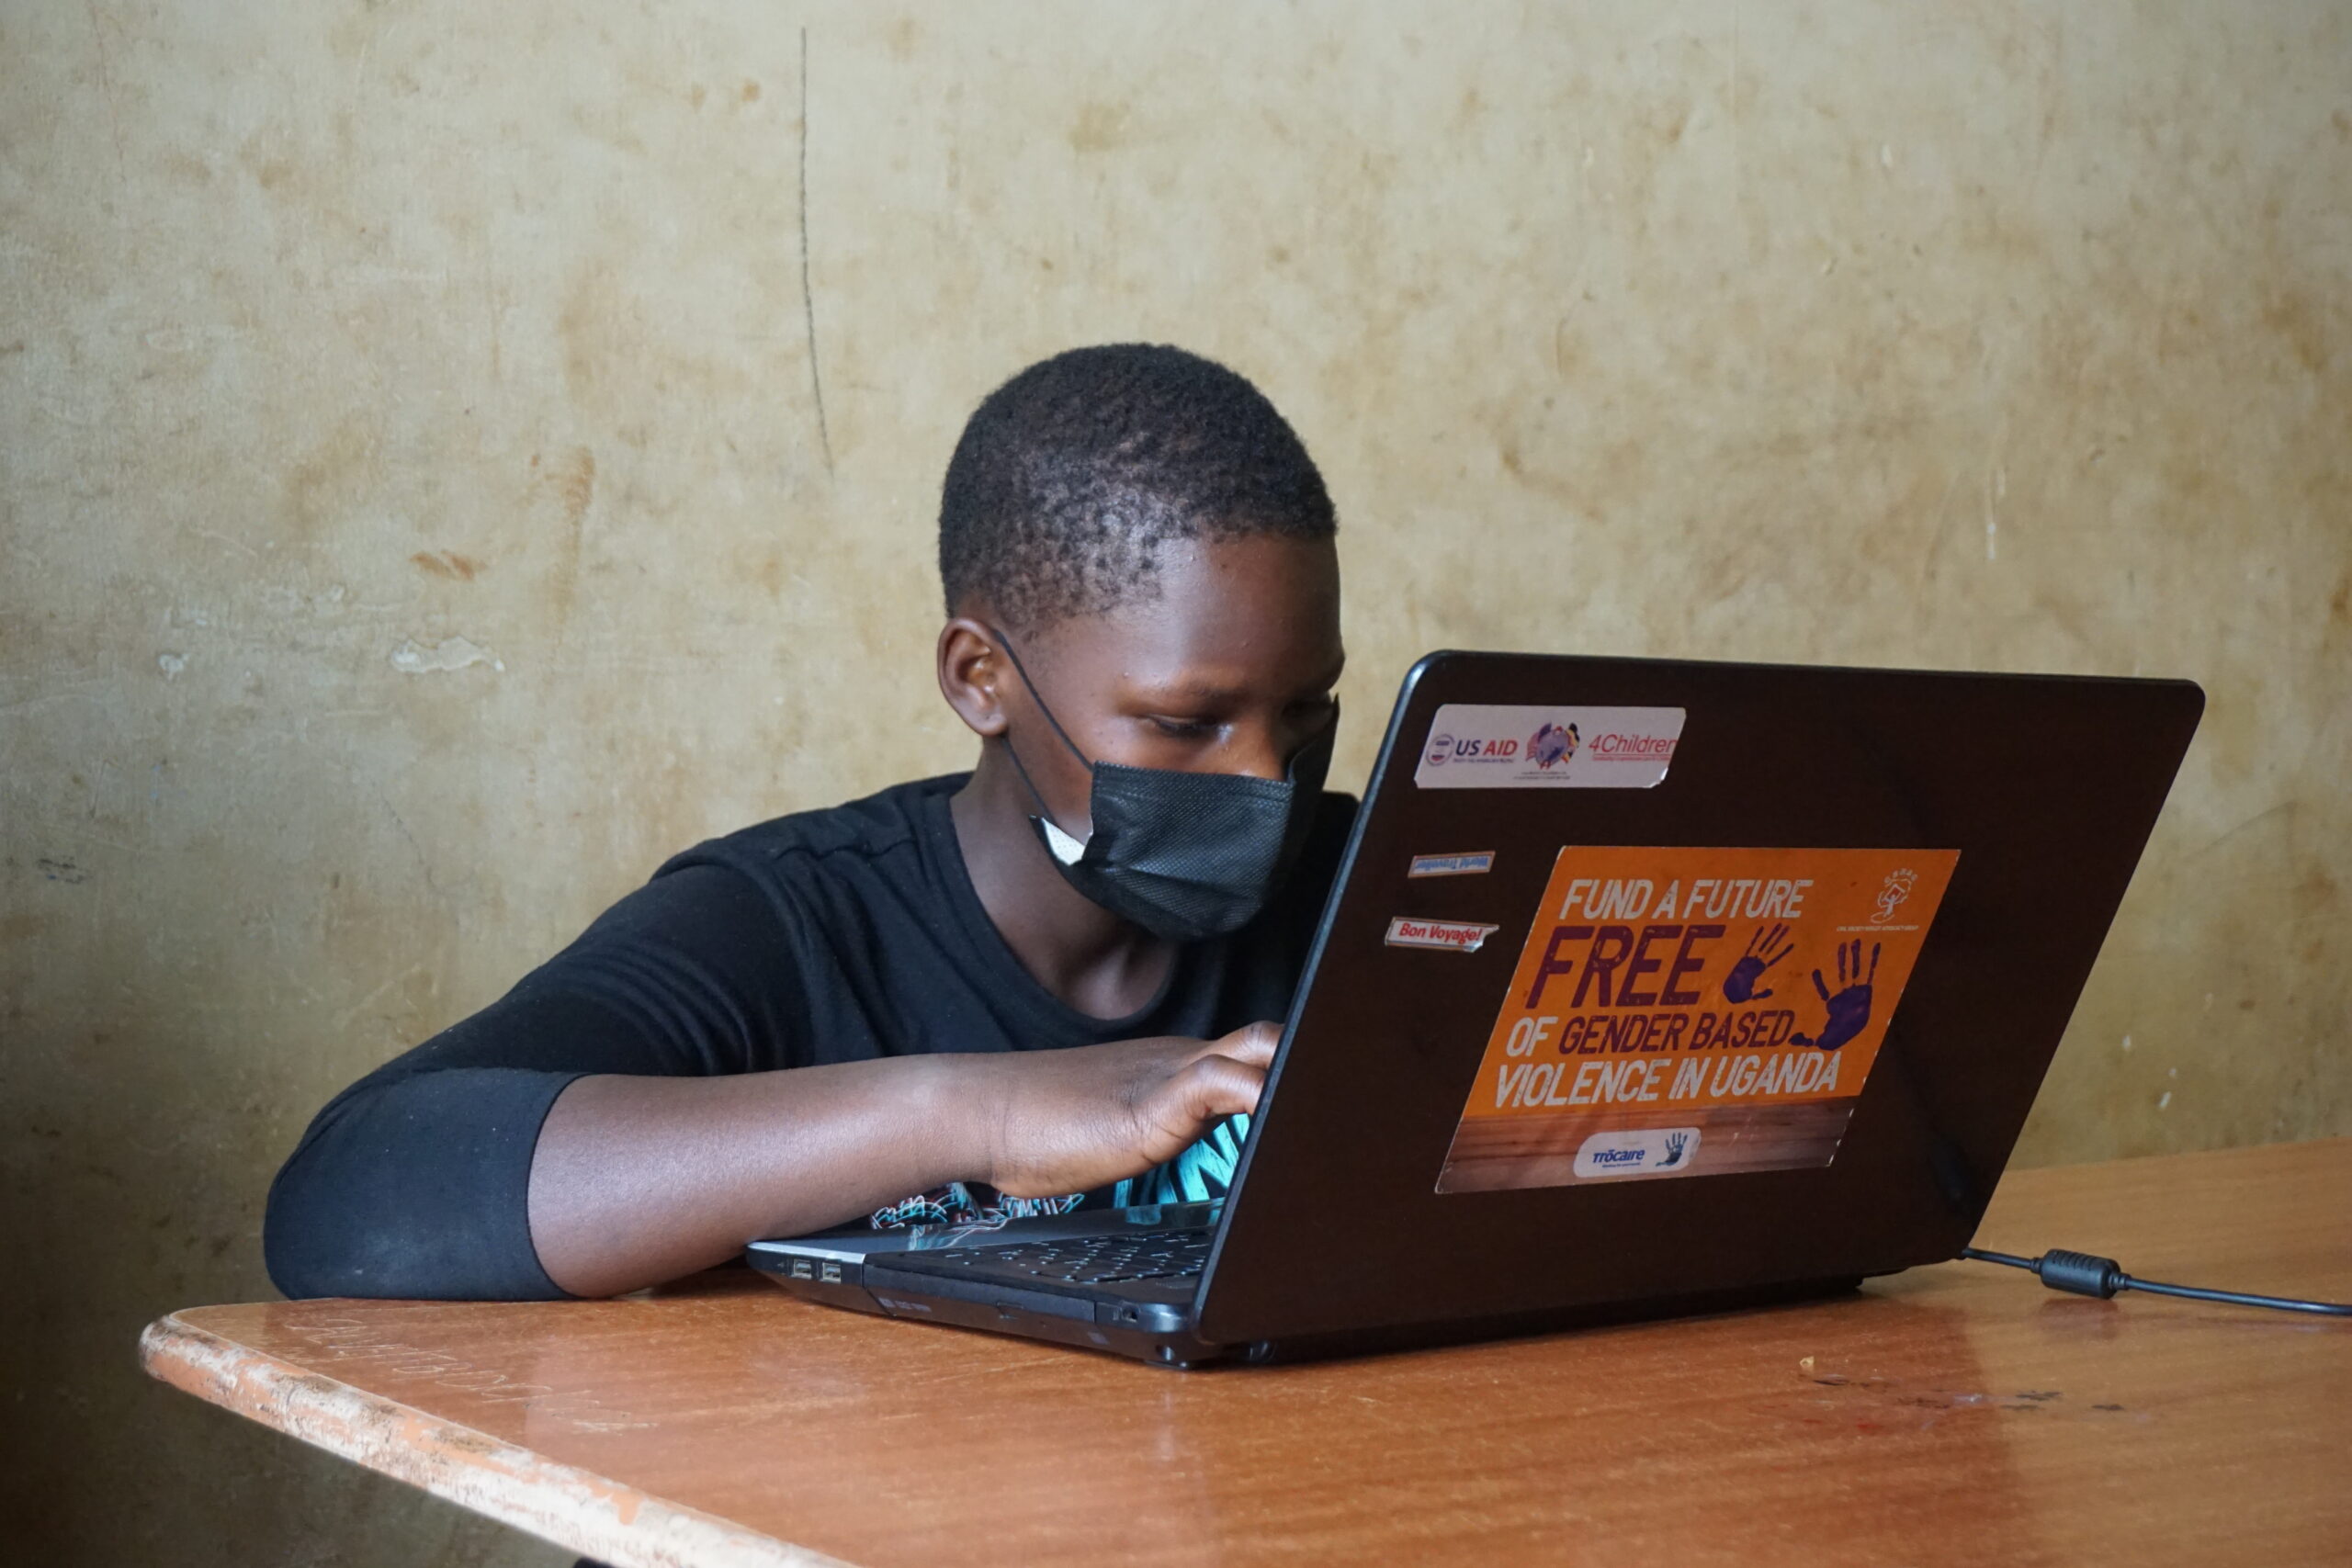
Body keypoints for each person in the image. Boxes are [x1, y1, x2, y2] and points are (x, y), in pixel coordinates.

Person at [264, 344, 1354, 1300]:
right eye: (1183, 722)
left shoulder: (1373, 897)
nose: (1265, 777)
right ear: (982, 678)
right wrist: (973, 1117)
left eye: (1305, 710)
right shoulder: (784, 925)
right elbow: (342, 1205)